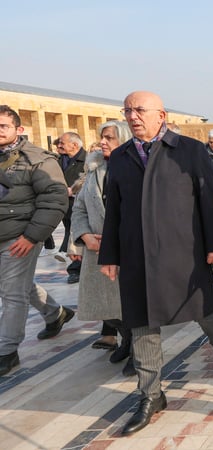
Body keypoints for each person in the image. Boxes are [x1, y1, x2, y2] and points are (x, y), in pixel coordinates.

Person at [99, 91, 213, 436]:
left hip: (183, 253)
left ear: (161, 114)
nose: (133, 116)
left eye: (140, 110)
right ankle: (150, 394)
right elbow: (113, 210)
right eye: (127, 110)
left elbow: (208, 199)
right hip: (136, 256)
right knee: (142, 321)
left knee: (202, 308)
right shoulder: (120, 157)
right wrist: (110, 255)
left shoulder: (188, 150)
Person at [0, 105, 71, 376]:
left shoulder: (38, 159)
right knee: (16, 286)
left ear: (19, 129)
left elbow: (54, 199)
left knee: (12, 294)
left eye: (3, 126)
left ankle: (7, 351)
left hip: (20, 238)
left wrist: (32, 236)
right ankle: (55, 313)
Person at [69, 120, 135, 376]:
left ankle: (138, 350)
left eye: (110, 137)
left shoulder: (136, 168)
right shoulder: (94, 169)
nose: (102, 142)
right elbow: (80, 208)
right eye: (102, 137)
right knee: (106, 305)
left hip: (127, 249)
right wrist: (84, 235)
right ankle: (125, 338)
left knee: (130, 304)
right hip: (97, 250)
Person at [54, 132, 87, 283]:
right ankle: (75, 266)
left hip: (80, 205)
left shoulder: (87, 159)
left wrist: (73, 190)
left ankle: (76, 268)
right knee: (70, 232)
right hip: (63, 204)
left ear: (74, 145)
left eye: (62, 142)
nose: (59, 145)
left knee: (78, 235)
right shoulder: (58, 160)